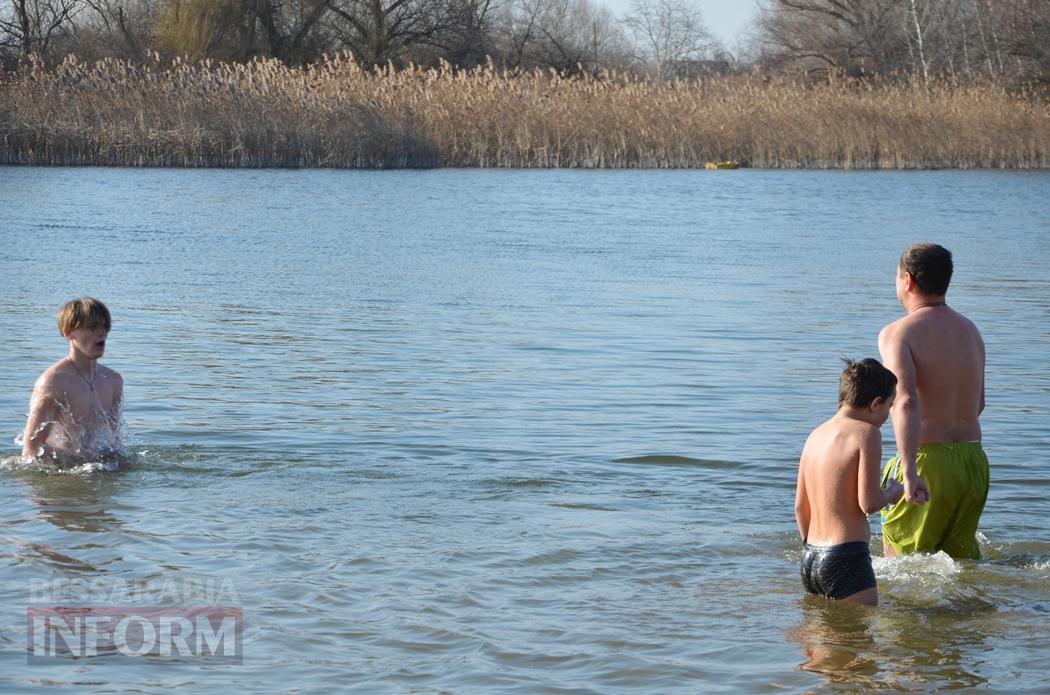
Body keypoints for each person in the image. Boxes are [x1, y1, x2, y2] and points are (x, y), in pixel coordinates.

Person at [878, 243, 989, 560]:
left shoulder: (898, 333)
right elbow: (979, 403)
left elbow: (906, 402)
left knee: (901, 565)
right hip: (973, 461)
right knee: (960, 565)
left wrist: (909, 472)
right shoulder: (971, 330)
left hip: (927, 459)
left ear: (908, 280)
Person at [795, 358, 904, 605]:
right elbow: (868, 503)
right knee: (858, 641)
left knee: (818, 639)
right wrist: (893, 492)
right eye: (890, 405)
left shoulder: (816, 435)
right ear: (875, 403)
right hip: (846, 556)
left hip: (810, 558)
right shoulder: (867, 433)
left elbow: (801, 507)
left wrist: (814, 552)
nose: (888, 416)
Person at [21, 298, 124, 465]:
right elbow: (32, 446)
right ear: (68, 332)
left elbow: (113, 439)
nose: (101, 333)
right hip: (64, 470)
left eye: (105, 327)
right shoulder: (53, 382)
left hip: (100, 470)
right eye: (92, 327)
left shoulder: (113, 380)